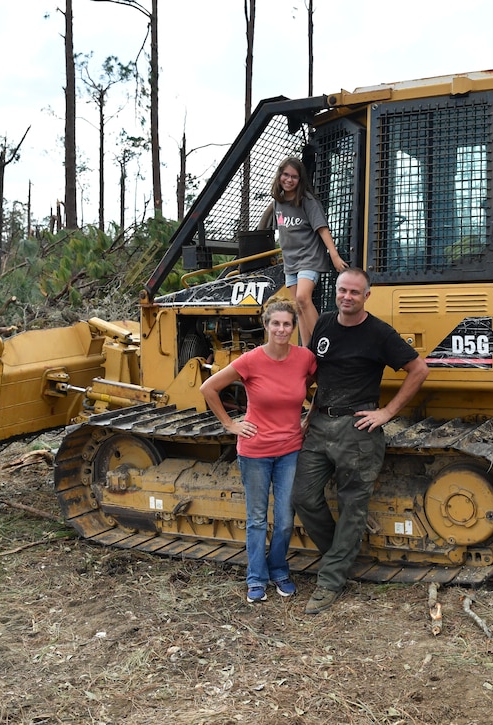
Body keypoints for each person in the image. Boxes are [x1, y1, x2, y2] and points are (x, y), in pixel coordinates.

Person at [293, 268, 430, 615]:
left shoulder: (379, 333)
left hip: (358, 428)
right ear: (335, 292)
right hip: (321, 422)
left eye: (355, 292)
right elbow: (318, 374)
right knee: (304, 497)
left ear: (367, 296)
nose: (347, 297)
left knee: (352, 504)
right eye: (342, 291)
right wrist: (309, 414)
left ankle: (331, 580)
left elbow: (419, 369)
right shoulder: (323, 324)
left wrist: (387, 412)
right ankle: (340, 555)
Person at [200, 300, 316, 604]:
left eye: (287, 324)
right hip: (255, 451)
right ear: (266, 326)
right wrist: (230, 424)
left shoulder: (304, 358)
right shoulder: (250, 360)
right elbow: (208, 388)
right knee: (255, 518)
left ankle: (279, 569)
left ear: (293, 327)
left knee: (285, 518)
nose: (281, 329)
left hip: (290, 449)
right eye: (275, 323)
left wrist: (310, 417)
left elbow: (324, 385)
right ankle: (255, 578)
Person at [262, 156, 348, 345]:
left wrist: (333, 255)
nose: (289, 180)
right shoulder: (278, 202)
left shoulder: (307, 200)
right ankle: (308, 349)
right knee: (297, 307)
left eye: (294, 176)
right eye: (286, 175)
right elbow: (285, 231)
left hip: (309, 258)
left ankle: (324, 344)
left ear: (300, 180)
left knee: (303, 297)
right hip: (290, 262)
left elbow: (322, 228)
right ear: (279, 176)